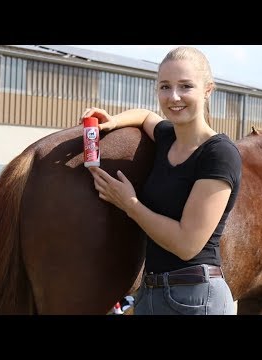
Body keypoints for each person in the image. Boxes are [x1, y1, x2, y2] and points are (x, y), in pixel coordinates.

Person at [80, 46, 242, 315]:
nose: (174, 96)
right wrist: (112, 122)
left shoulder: (219, 154)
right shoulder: (168, 136)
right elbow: (144, 116)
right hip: (151, 293)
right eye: (165, 87)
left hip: (196, 298)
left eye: (185, 86)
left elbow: (187, 244)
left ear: (208, 90)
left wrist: (130, 204)